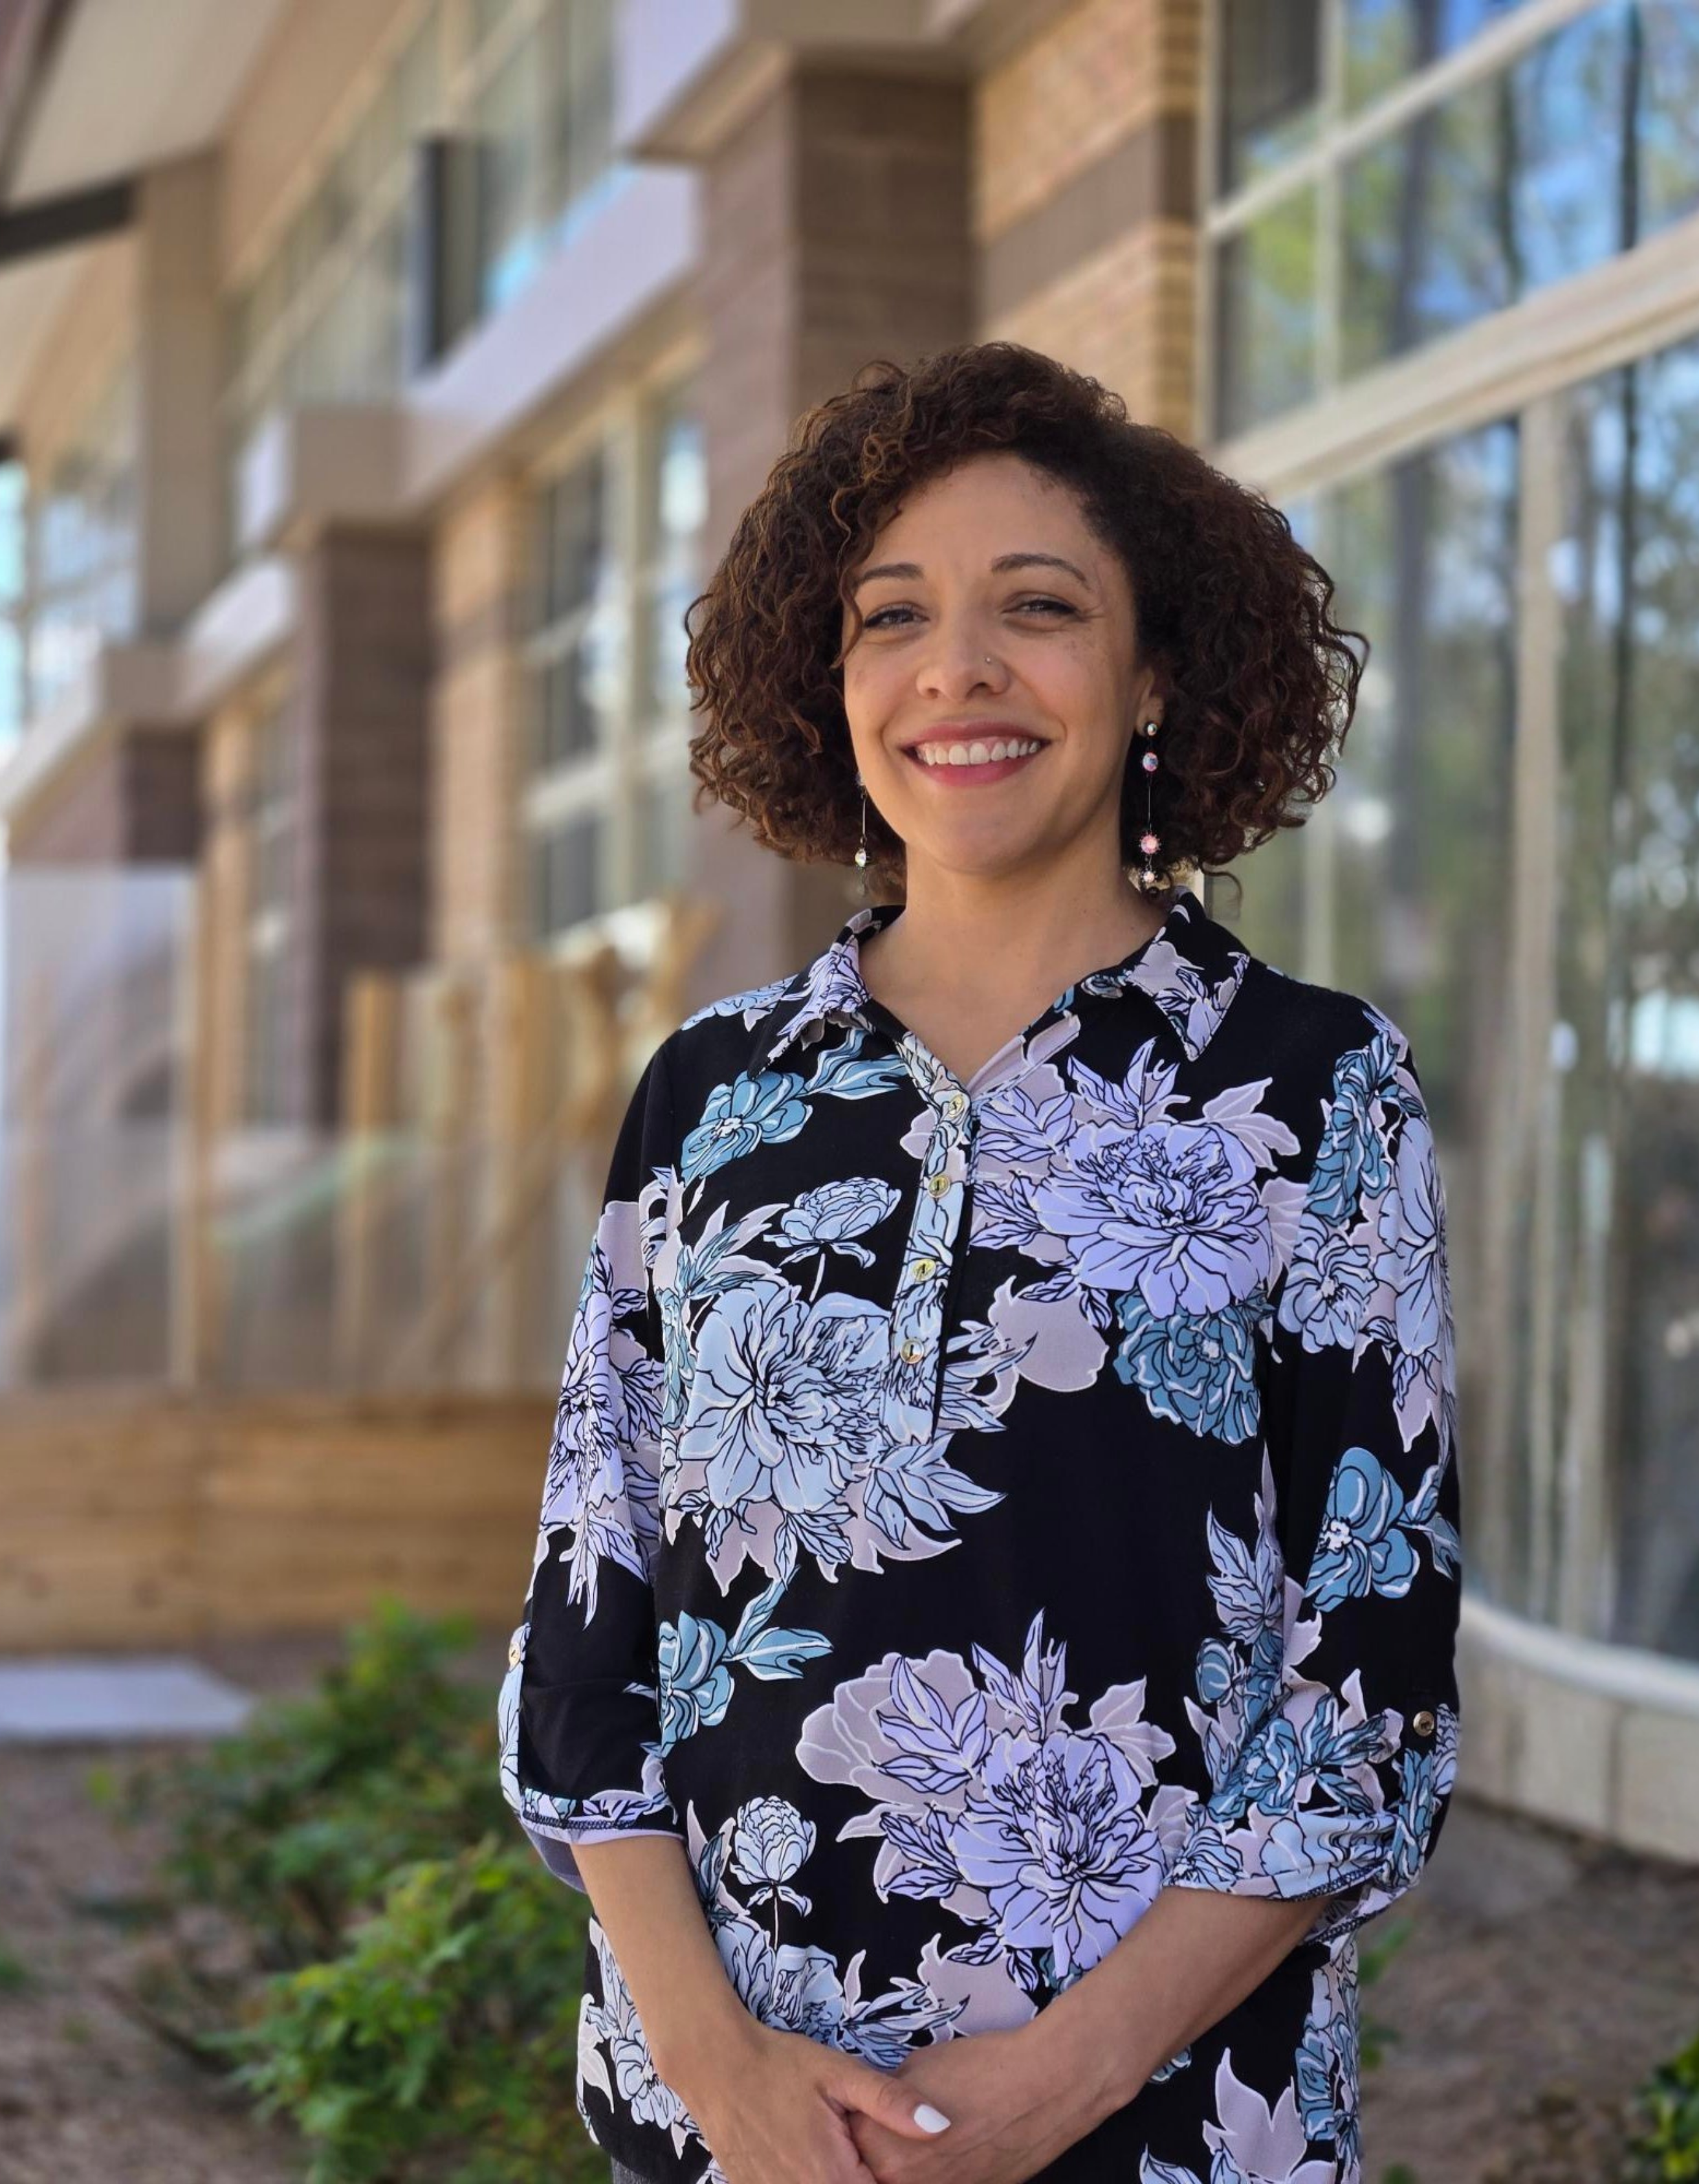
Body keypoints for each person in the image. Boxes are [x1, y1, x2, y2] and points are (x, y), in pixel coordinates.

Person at [496, 341, 1463, 2184]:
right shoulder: (711, 1098)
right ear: (829, 677)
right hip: (729, 2133)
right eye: (892, 616)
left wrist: (1049, 2088)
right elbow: (582, 1630)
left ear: (1156, 668)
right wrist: (721, 2069)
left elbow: (1371, 1685)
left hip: (1168, 2122)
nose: (959, 669)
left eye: (1041, 607)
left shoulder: (1316, 1085)